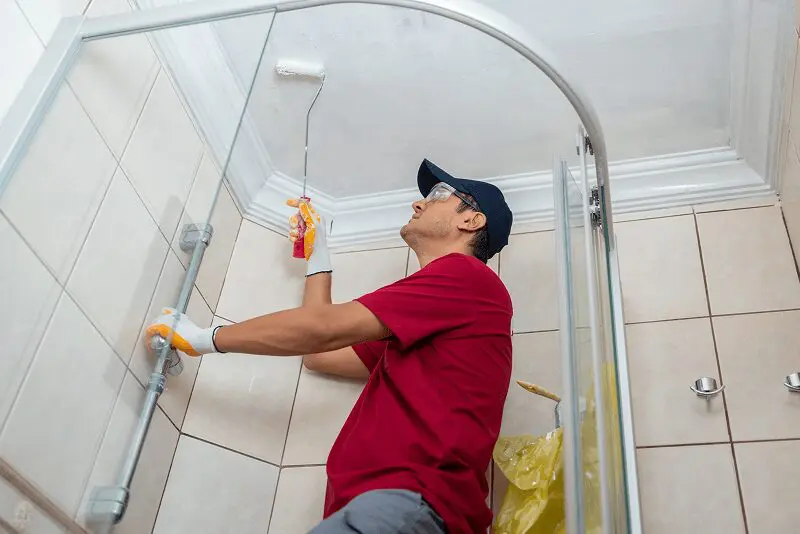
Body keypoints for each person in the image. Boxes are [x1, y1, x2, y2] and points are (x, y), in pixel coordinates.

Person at [146, 159, 514, 533]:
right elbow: (319, 355)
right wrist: (317, 256)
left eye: (436, 196)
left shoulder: (466, 277)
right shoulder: (434, 318)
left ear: (471, 221)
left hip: (409, 505)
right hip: (393, 509)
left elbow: (320, 330)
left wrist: (204, 338)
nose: (417, 204)